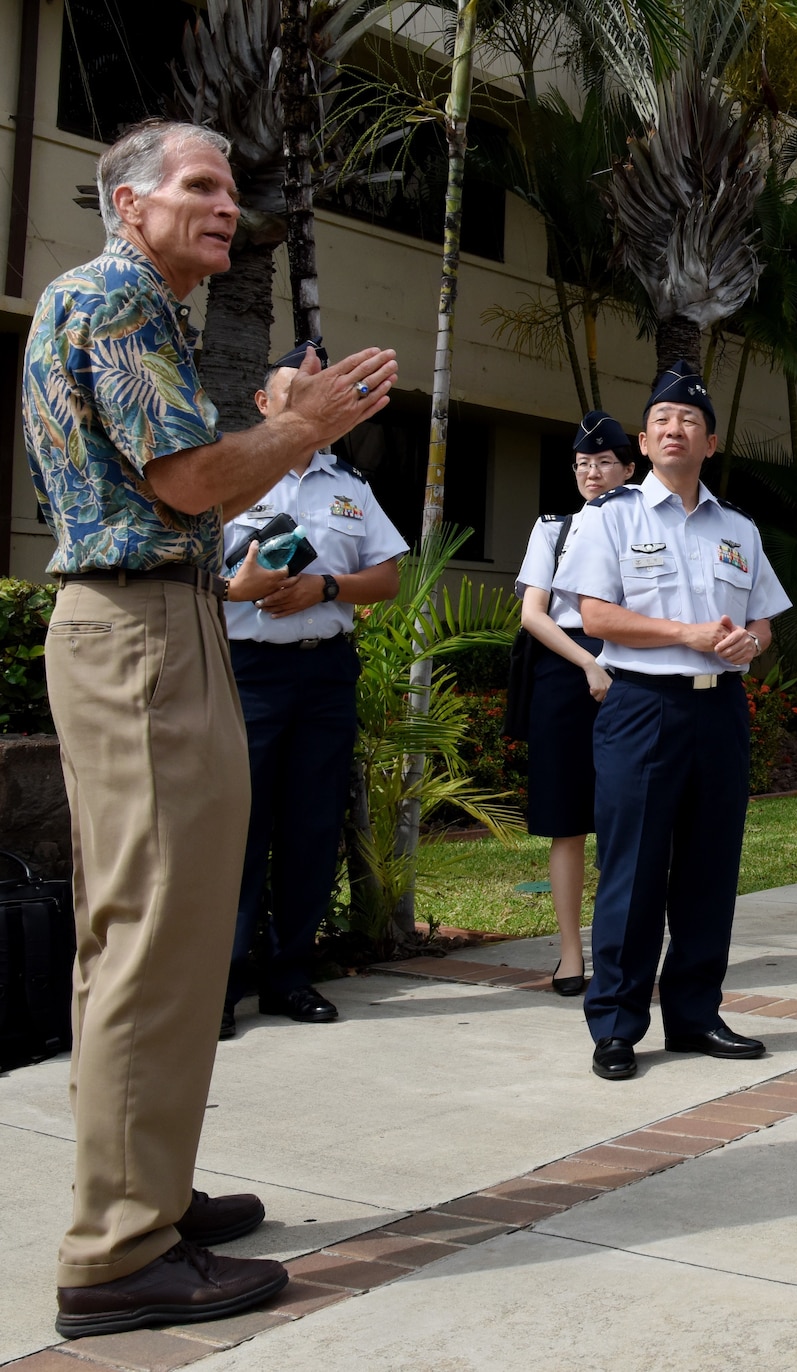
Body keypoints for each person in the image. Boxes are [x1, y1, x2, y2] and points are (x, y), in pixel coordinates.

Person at [22, 119, 395, 1334]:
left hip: (151, 628)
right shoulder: (121, 298)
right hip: (140, 635)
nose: (226, 204)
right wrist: (312, 425)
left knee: (156, 931)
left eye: (230, 188)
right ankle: (120, 1252)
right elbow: (189, 481)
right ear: (129, 205)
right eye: (198, 185)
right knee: (153, 935)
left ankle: (148, 1193)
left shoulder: (130, 301)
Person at [554, 362, 791, 1081]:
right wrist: (687, 634)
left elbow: (763, 618)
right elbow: (594, 614)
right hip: (642, 707)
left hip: (718, 709)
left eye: (689, 419)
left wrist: (751, 641)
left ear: (710, 442)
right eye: (661, 419)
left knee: (708, 869)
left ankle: (694, 1014)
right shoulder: (610, 517)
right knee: (633, 869)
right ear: (645, 439)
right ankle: (618, 1025)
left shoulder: (738, 528)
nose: (674, 428)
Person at [220, 339, 409, 1039]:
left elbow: (386, 578)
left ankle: (289, 976)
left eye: (319, 389)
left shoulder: (349, 488)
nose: (310, 397)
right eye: (294, 389)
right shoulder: (230, 478)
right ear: (264, 405)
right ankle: (221, 982)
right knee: (236, 828)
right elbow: (184, 571)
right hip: (248, 672)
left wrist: (323, 587)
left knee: (310, 826)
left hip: (325, 670)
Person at [515, 412, 637, 996]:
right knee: (568, 824)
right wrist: (589, 663)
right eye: (583, 464)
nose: (592, 473)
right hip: (567, 673)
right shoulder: (554, 529)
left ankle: (625, 953)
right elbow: (532, 614)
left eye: (604, 462)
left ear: (629, 467)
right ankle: (570, 955)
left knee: (630, 820)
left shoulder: (647, 526)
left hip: (636, 668)